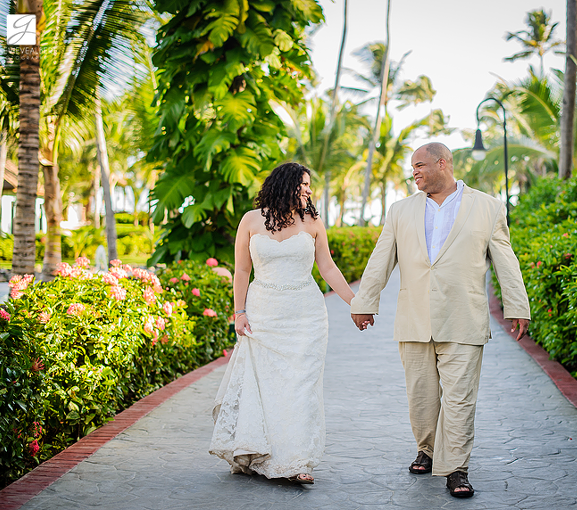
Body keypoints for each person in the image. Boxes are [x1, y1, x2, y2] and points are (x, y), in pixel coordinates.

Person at [350, 142, 531, 498]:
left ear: (442, 164)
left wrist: (517, 305)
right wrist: (364, 301)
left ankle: (456, 468)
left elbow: (505, 260)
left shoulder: (488, 207)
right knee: (422, 397)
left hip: (464, 318)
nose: (413, 172)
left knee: (460, 399)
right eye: (412, 167)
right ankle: (428, 449)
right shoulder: (400, 211)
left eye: (419, 165)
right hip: (414, 318)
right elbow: (381, 257)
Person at [209, 162, 355, 484]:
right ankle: (264, 454)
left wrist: (355, 302)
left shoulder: (313, 221)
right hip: (264, 316)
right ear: (284, 184)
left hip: (306, 316)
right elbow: (242, 272)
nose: (309, 190)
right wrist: (239, 312)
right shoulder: (250, 220)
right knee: (268, 389)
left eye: (309, 185)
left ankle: (299, 461)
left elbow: (328, 268)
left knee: (301, 389)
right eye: (303, 184)